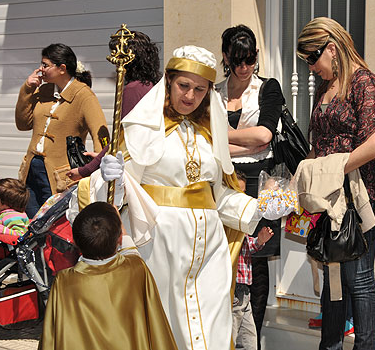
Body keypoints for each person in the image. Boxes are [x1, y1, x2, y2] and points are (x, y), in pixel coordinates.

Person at [92, 45, 262, 350]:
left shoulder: (210, 133)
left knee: (211, 325)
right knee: (165, 327)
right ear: (168, 82)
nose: (190, 96)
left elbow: (218, 196)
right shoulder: (144, 128)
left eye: (200, 89)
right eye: (184, 85)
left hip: (210, 252)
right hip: (160, 248)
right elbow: (116, 197)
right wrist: (109, 177)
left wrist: (260, 210)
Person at [296, 17, 375, 350]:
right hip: (331, 198)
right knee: (332, 276)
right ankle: (330, 346)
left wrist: (333, 169)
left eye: (313, 58)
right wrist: (306, 179)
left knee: (358, 277)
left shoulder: (364, 82)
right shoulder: (324, 88)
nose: (311, 68)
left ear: (332, 49)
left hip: (363, 195)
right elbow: (317, 142)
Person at [216, 25, 285, 347]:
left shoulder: (268, 87)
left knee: (257, 260)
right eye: (238, 61)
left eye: (250, 60)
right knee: (224, 254)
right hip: (222, 181)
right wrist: (247, 142)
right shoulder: (214, 91)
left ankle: (252, 339)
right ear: (227, 58)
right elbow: (204, 139)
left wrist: (220, 139)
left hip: (262, 180)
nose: (244, 68)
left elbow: (265, 135)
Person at [38, 201, 177, 350]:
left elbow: (52, 336)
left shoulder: (64, 281)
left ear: (76, 242)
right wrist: (120, 227)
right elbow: (130, 251)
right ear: (119, 239)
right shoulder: (136, 269)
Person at [15, 43, 109, 218]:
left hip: (59, 175)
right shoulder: (44, 91)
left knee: (52, 224)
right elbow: (22, 123)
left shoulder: (83, 95)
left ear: (62, 68)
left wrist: (94, 167)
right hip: (31, 169)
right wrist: (27, 88)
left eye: (45, 65)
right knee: (33, 221)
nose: (40, 69)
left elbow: (101, 134)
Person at [66, 31, 162, 182]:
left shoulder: (134, 89)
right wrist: (100, 157)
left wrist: (85, 170)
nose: (113, 59)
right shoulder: (150, 86)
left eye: (116, 54)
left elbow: (121, 138)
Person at [233, 171, 274, 350]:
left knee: (249, 339)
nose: (241, 199)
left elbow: (247, 246)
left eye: (244, 193)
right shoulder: (227, 220)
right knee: (230, 338)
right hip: (232, 291)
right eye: (237, 193)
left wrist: (260, 240)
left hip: (245, 291)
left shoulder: (241, 220)